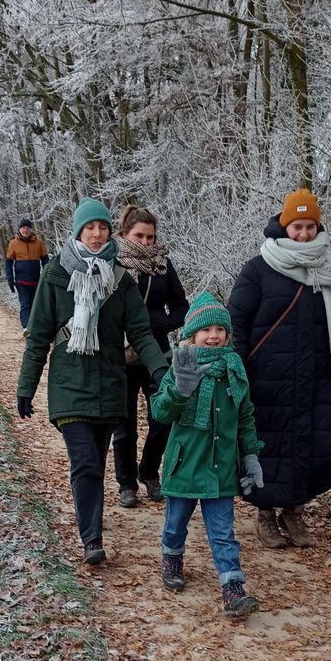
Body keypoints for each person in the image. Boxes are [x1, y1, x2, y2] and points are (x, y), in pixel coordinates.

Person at [15, 197, 169, 565]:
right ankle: (92, 540)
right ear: (78, 231)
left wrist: (161, 369)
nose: (97, 233)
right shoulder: (56, 274)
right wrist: (26, 386)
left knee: (96, 463)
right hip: (69, 383)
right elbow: (38, 337)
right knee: (84, 462)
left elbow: (142, 333)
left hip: (110, 384)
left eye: (102, 226)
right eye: (90, 227)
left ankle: (92, 524)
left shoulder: (120, 279)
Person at [227, 188, 331, 549]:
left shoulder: (328, 271)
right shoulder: (259, 268)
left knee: (311, 444)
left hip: (315, 378)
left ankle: (293, 511)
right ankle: (266, 515)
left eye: (309, 227)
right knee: (267, 445)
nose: (303, 234)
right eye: (297, 226)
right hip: (266, 380)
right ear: (284, 226)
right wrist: (237, 370)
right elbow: (236, 320)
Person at [150, 292, 264, 618]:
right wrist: (179, 389)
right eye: (205, 330)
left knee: (224, 532)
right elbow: (160, 412)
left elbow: (244, 417)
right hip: (184, 464)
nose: (213, 335)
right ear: (192, 335)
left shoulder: (234, 370)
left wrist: (251, 456)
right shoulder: (181, 366)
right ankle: (172, 557)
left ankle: (232, 588)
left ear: (227, 334)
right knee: (175, 523)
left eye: (219, 329)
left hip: (220, 468)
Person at [113, 205, 189, 508]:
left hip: (158, 352)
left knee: (164, 417)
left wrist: (161, 323)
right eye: (140, 236)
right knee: (124, 423)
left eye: (151, 236)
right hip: (121, 354)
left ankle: (149, 471)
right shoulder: (113, 264)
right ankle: (126, 484)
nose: (146, 242)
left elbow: (181, 306)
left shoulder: (163, 265)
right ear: (124, 234)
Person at [5, 218, 49, 328]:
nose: (25, 230)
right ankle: (26, 327)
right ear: (19, 230)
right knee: (25, 304)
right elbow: (8, 262)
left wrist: (46, 275)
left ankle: (34, 326)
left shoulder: (38, 243)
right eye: (23, 228)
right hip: (21, 281)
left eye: (27, 228)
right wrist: (10, 279)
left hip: (36, 280)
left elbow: (45, 260)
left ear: (31, 230)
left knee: (35, 305)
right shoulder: (13, 243)